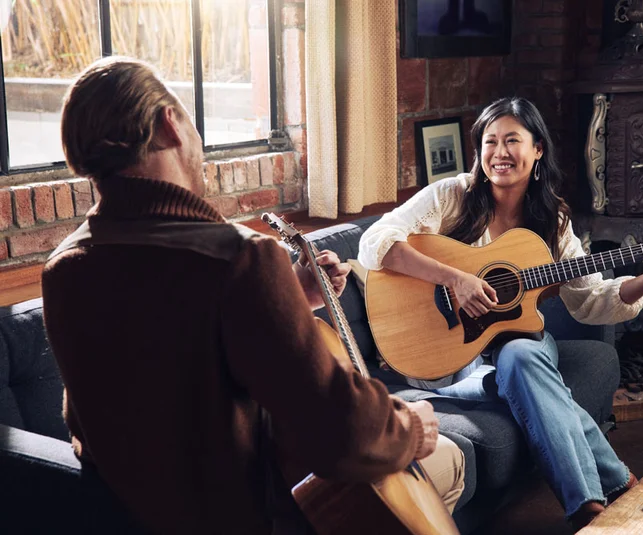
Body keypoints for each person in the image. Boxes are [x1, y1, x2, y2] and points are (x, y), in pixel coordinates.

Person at [42, 56, 463, 535]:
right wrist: (411, 429)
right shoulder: (238, 259)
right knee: (441, 470)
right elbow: (339, 435)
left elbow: (163, 362)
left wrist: (291, 296)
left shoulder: (64, 267)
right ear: (169, 125)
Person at [358, 97, 643, 529]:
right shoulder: (451, 195)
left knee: (521, 354)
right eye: (490, 141)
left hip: (516, 354)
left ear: (538, 150)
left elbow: (588, 300)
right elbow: (374, 242)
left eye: (512, 140)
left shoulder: (553, 218)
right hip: (449, 360)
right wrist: (452, 278)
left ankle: (586, 508)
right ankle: (612, 481)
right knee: (532, 370)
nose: (499, 153)